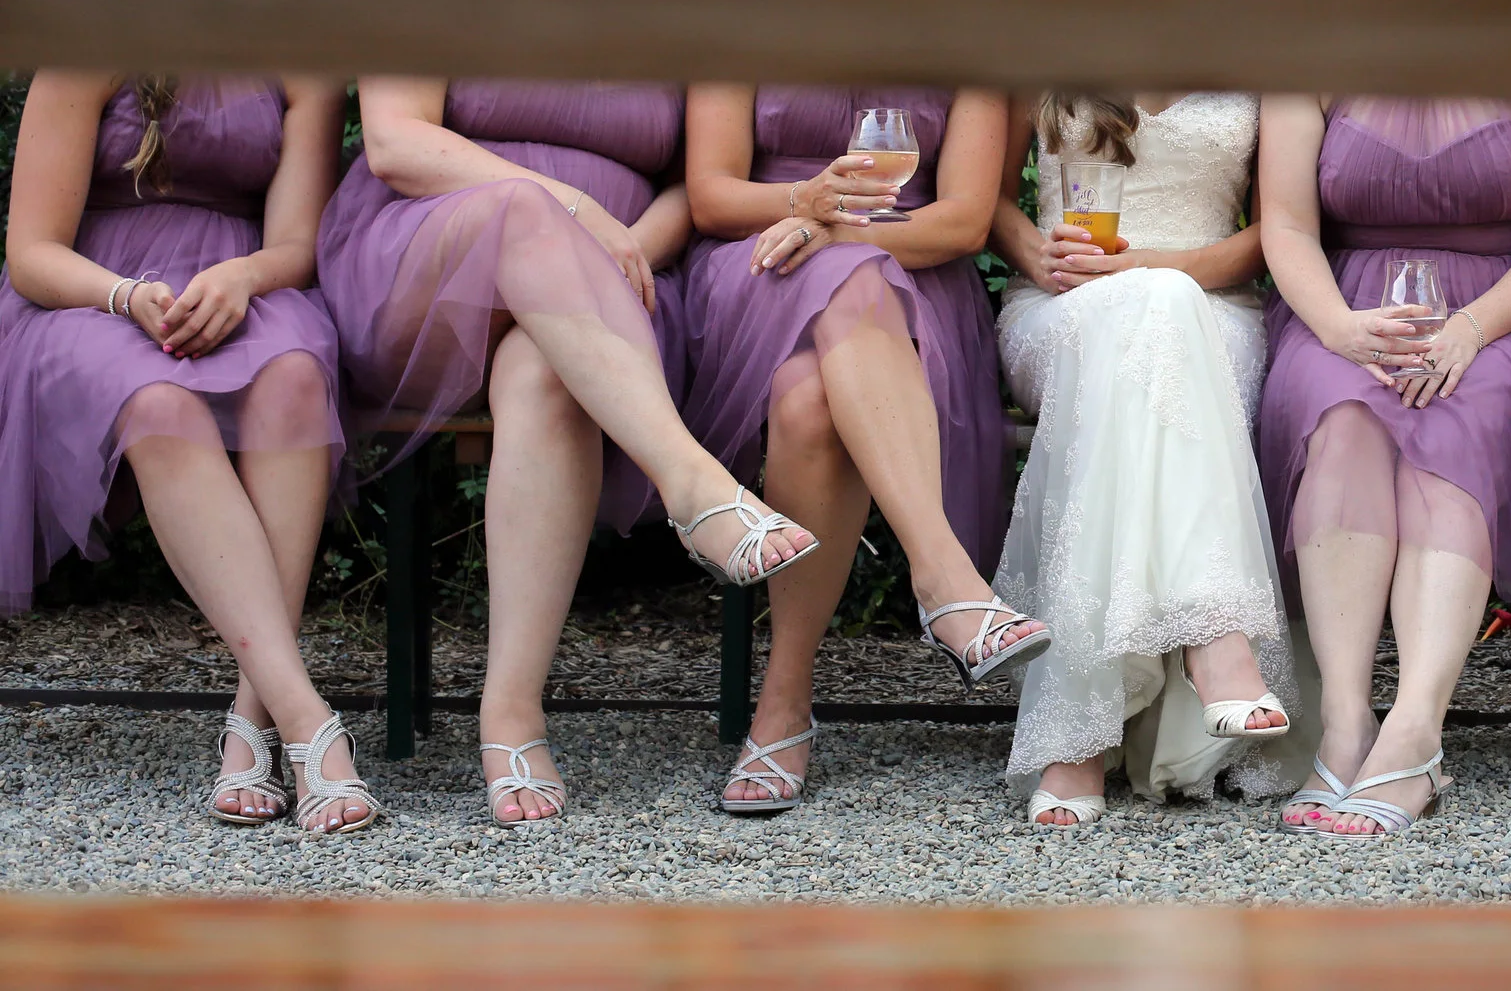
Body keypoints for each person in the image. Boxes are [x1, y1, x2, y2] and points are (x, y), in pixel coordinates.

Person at [324, 78, 815, 825]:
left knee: (545, 370)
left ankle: (511, 712)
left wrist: (611, 261)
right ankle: (692, 484)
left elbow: (693, 181)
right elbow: (395, 141)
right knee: (525, 211)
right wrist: (573, 213)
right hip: (427, 263)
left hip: (609, 282)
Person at [0, 73, 375, 831]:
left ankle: (251, 716)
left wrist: (244, 276)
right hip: (92, 296)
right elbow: (31, 251)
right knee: (158, 402)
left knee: (296, 376)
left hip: (244, 289)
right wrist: (125, 294)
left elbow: (298, 244)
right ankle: (305, 719)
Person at [683, 84, 1039, 813]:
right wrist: (804, 206)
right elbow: (711, 197)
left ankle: (784, 697)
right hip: (765, 262)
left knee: (812, 403)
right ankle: (946, 582)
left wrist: (842, 237)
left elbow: (966, 220)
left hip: (911, 275)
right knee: (846, 283)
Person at [1260, 96, 1511, 837]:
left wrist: (1473, 329)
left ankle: (1415, 731)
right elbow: (1284, 224)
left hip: (1502, 311)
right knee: (1342, 415)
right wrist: (1340, 329)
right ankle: (1347, 724)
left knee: (1458, 418)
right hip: (1345, 309)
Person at [988, 91, 1291, 828]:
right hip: (1063, 309)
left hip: (1212, 308)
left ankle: (1077, 738)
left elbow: (1275, 234)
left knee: (1161, 304)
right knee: (1148, 321)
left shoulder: (1264, 60)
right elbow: (990, 204)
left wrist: (1153, 266)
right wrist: (1040, 252)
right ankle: (1215, 640)